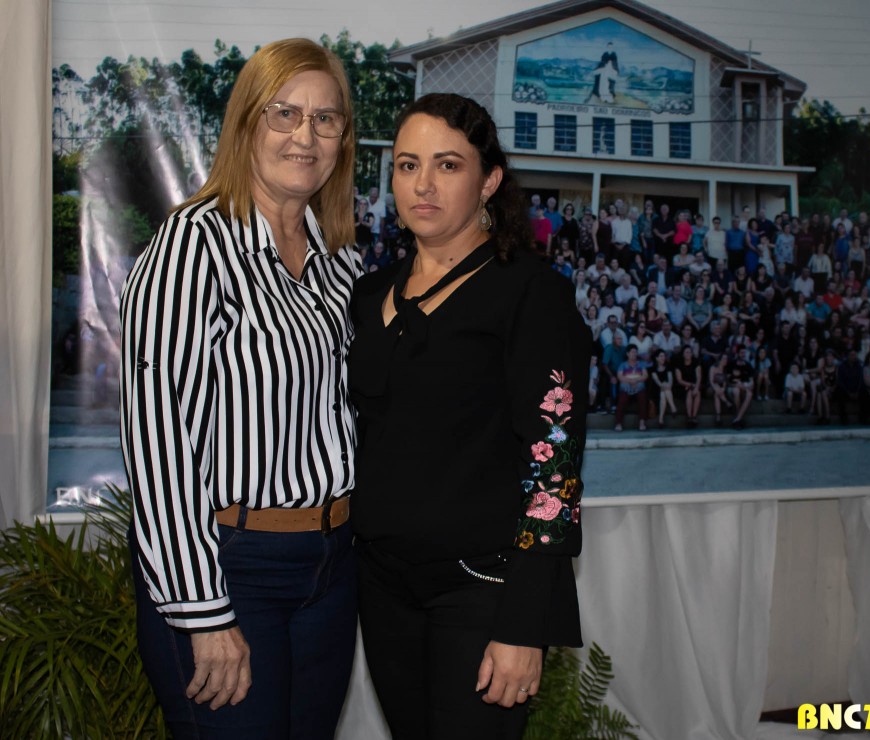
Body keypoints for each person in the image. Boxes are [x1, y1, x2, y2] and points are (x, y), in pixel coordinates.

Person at [119, 39, 361, 739]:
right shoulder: (192, 246)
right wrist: (202, 611)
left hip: (330, 570)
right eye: (285, 113)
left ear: (343, 139)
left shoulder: (340, 260)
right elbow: (158, 439)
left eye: (325, 119)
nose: (305, 136)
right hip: (230, 569)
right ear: (246, 123)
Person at [347, 93, 590, 738]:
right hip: (382, 587)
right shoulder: (368, 294)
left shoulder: (531, 293)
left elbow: (554, 467)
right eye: (407, 165)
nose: (423, 184)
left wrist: (524, 625)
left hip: (483, 589)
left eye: (448, 165)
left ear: (488, 181)